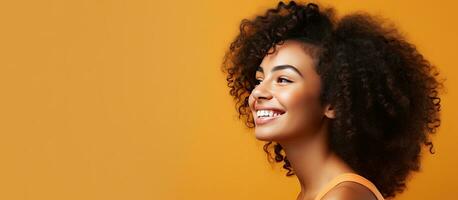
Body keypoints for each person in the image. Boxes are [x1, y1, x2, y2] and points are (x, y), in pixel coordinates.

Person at [221, 1, 443, 200]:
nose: (258, 92)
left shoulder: (342, 196)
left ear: (332, 103)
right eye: (259, 79)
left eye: (283, 79)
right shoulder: (316, 193)